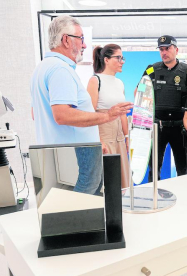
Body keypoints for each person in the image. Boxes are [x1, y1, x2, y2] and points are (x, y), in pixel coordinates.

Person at [30, 15, 132, 195]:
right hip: (75, 152)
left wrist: (95, 140)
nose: (84, 45)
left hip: (65, 151)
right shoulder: (60, 70)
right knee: (83, 194)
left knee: (83, 193)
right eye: (81, 39)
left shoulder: (44, 67)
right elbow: (62, 115)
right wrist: (107, 116)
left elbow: (35, 113)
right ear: (66, 40)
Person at [138, 35, 187, 181]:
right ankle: (154, 199)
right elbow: (139, 93)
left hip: (180, 128)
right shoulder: (151, 70)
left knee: (183, 167)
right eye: (161, 49)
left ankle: (183, 197)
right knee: (154, 167)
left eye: (167, 49)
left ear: (176, 50)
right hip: (158, 127)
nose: (164, 52)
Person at [87, 44, 130, 189]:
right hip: (104, 136)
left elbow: (123, 114)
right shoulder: (95, 81)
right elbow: (90, 114)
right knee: (108, 182)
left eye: (122, 58)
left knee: (123, 182)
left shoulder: (120, 83)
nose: (122, 61)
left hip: (119, 138)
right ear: (106, 59)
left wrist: (127, 137)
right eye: (118, 57)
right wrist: (99, 141)